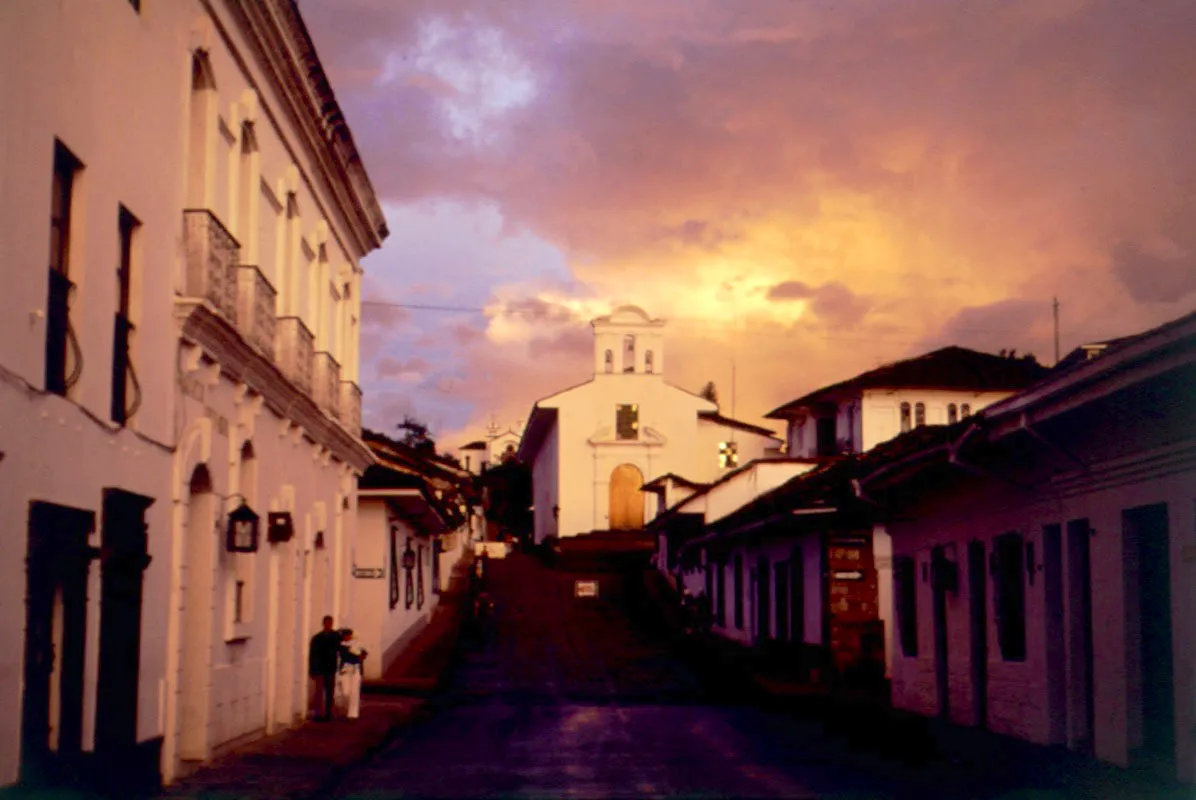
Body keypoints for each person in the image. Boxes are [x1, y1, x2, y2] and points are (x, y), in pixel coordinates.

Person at [308, 615, 341, 721]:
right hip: (320, 668)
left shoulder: (335, 636)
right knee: (319, 691)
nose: (329, 625)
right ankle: (319, 713)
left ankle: (328, 712)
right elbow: (313, 654)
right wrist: (312, 669)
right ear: (323, 623)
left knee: (330, 691)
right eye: (327, 623)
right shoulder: (317, 638)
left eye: (330, 623)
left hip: (330, 667)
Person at [337, 628, 368, 719]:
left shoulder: (356, 644)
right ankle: (347, 708)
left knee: (354, 692)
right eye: (346, 635)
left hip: (355, 669)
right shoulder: (341, 646)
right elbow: (346, 656)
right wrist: (356, 655)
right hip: (346, 669)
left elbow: (364, 653)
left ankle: (352, 714)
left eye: (349, 635)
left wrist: (361, 657)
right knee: (346, 692)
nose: (348, 637)